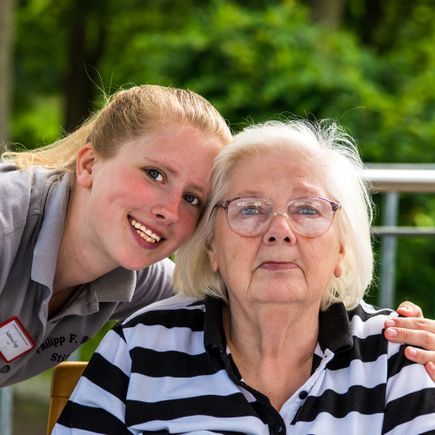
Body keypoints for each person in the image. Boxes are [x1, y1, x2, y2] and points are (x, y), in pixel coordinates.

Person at [53, 119, 435, 434]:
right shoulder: (139, 349)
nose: (280, 231)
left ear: (342, 248)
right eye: (250, 209)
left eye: (308, 209)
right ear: (212, 246)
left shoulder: (396, 356)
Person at [0, 84, 232, 386]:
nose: (170, 211)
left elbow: (235, 303)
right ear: (89, 165)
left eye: (192, 198)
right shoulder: (6, 222)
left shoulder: (136, 276)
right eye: (155, 174)